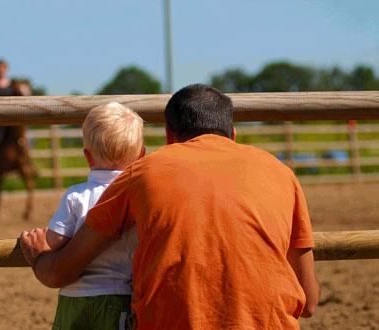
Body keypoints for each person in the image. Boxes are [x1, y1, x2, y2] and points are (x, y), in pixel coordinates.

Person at [20, 84, 320, 329]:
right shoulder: (281, 174)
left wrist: (39, 257)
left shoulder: (145, 173)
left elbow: (60, 272)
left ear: (169, 136)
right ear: (233, 135)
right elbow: (309, 301)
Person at [24, 102, 144, 329]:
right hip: (119, 295)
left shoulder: (76, 196)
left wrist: (36, 248)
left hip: (74, 297)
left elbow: (54, 241)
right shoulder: (139, 198)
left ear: (88, 157)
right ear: (141, 155)